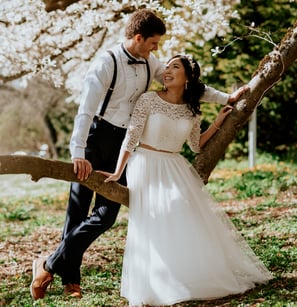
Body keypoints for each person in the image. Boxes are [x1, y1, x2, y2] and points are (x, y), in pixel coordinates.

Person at [30, 8, 250, 301]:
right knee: (78, 208)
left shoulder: (150, 62)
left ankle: (47, 264)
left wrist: (226, 98)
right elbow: (85, 111)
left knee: (106, 216)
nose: (156, 49)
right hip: (96, 137)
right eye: (153, 43)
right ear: (138, 37)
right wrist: (78, 152)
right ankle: (70, 277)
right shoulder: (105, 64)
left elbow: (188, 84)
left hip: (124, 141)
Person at [100, 54, 272, 307]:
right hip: (145, 163)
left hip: (175, 164)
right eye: (167, 66)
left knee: (181, 209)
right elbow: (132, 136)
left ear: (188, 78)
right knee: (157, 216)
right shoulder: (148, 99)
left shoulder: (192, 109)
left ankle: (187, 275)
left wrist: (217, 122)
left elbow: (195, 145)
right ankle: (159, 282)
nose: (167, 71)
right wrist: (118, 171)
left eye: (174, 67)